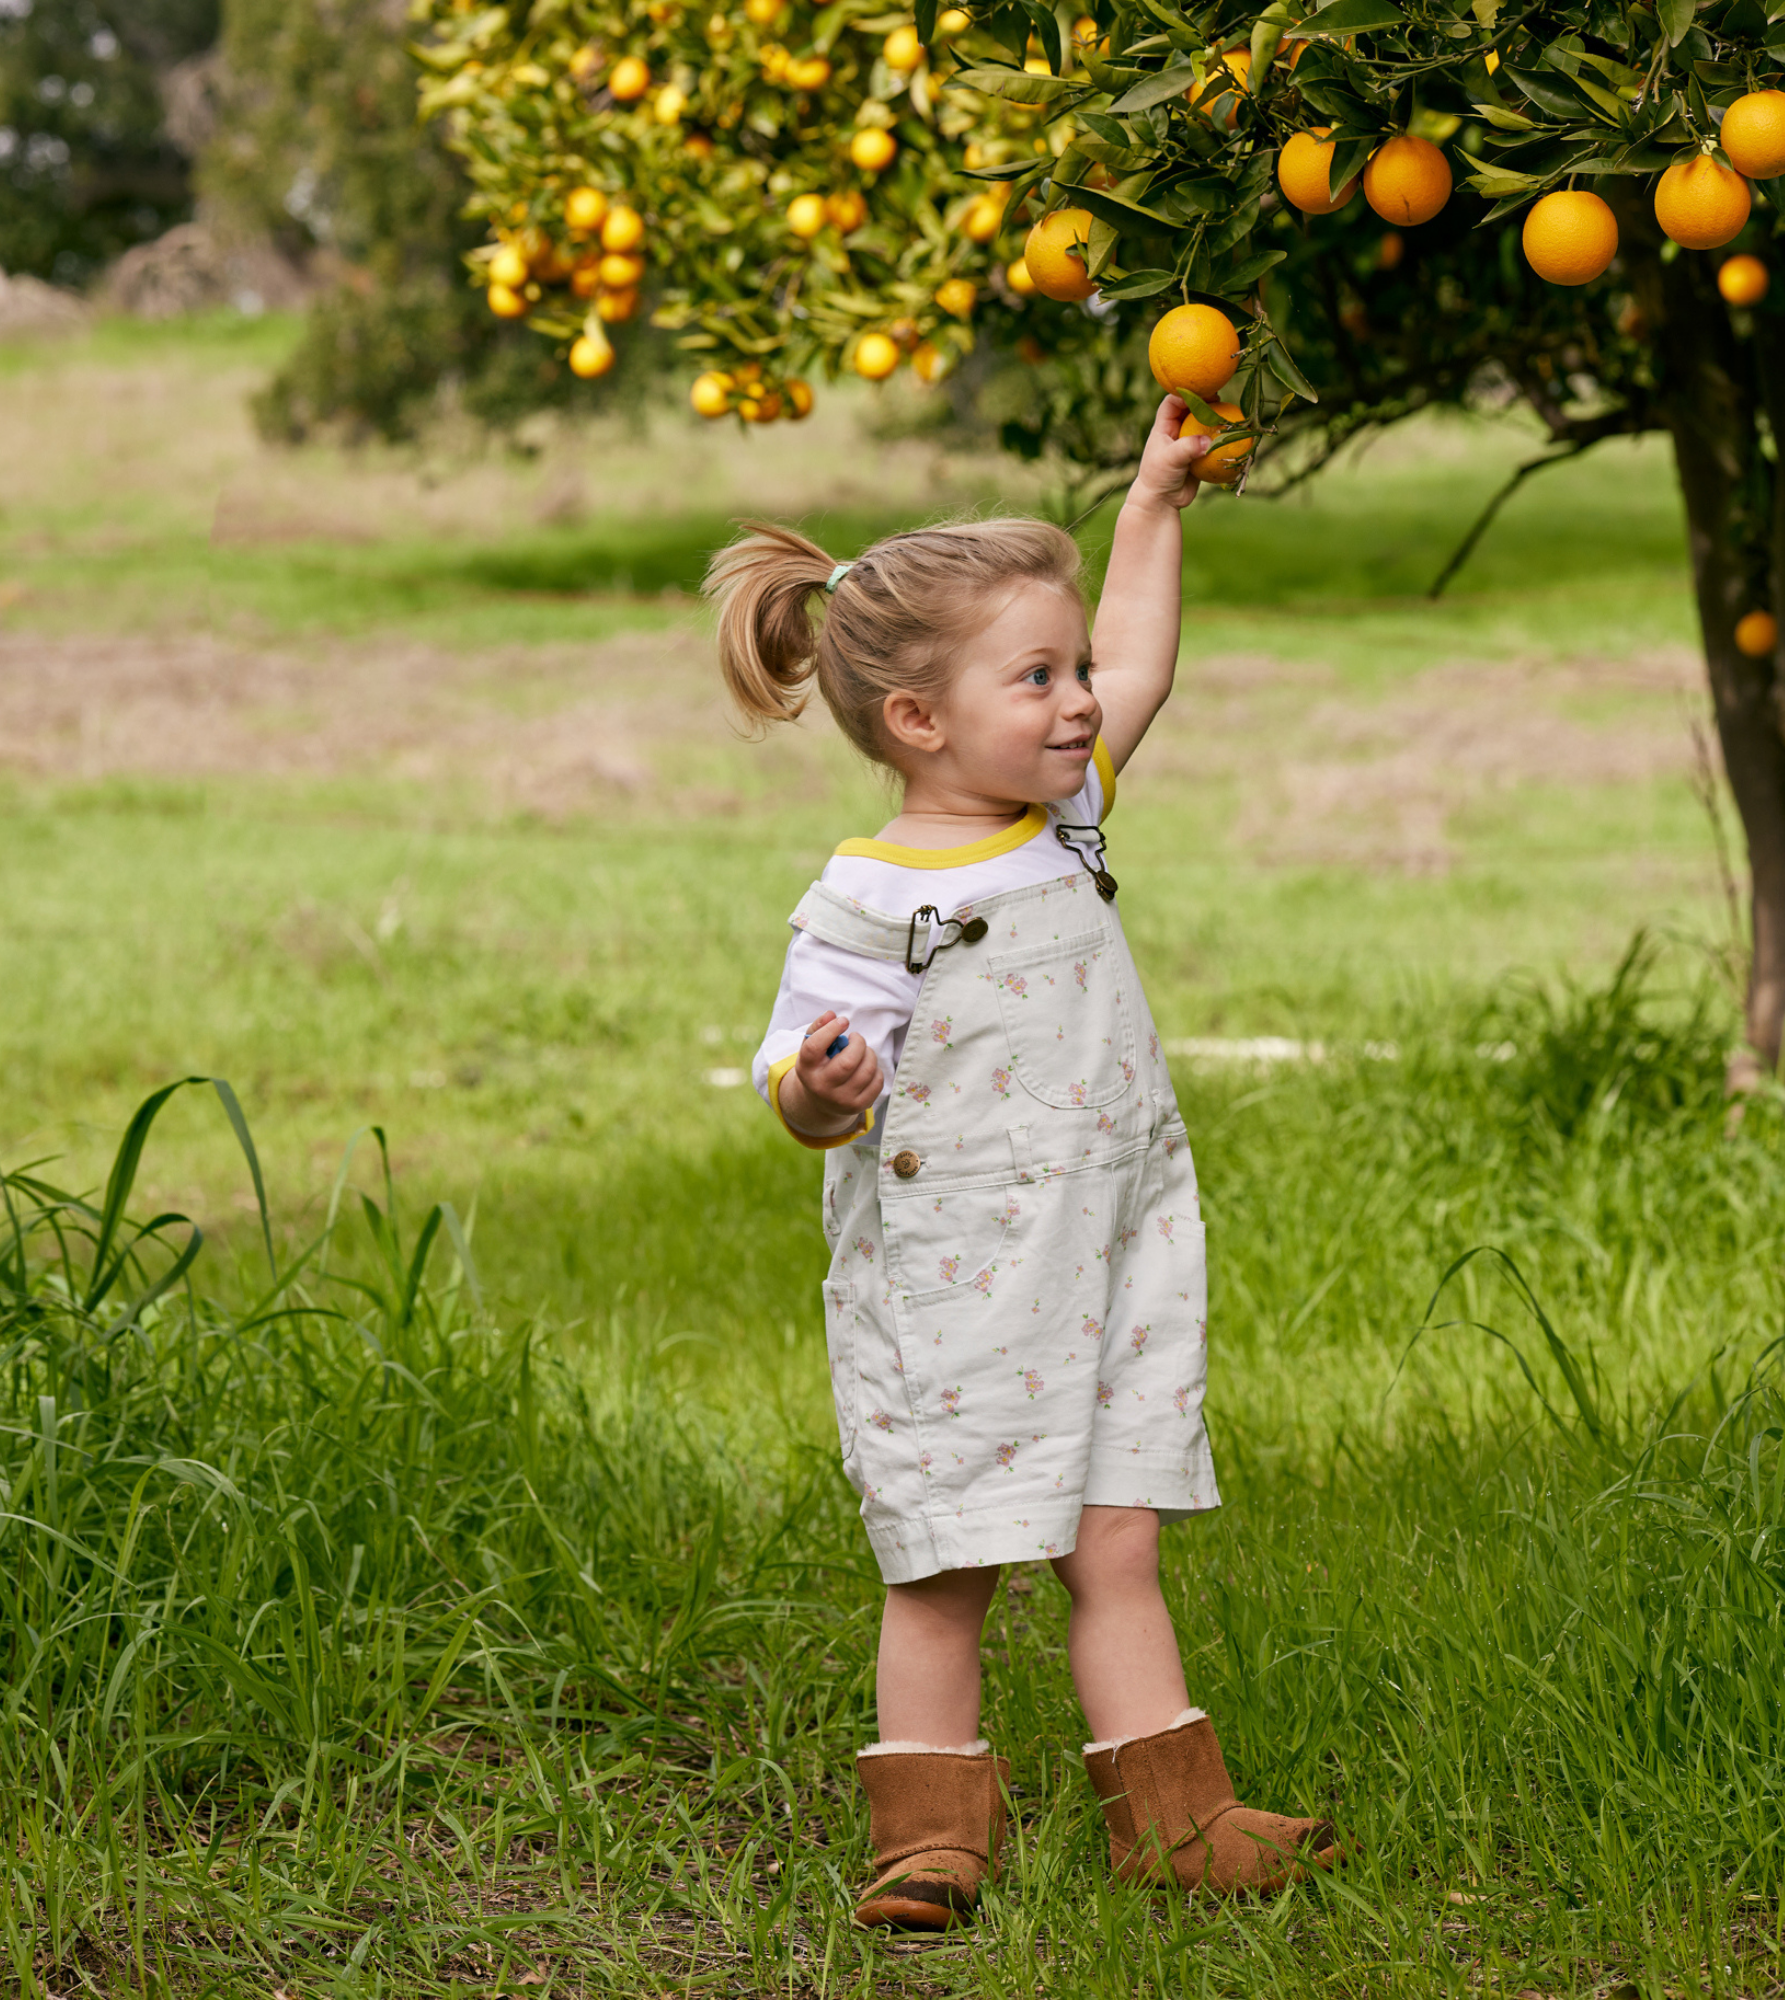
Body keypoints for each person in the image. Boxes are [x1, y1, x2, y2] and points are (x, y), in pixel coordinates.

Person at [706, 396, 1338, 1930]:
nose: (1080, 704)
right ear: (921, 723)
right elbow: (797, 1077)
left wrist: (1152, 506)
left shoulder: (1063, 823)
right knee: (951, 1557)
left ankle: (1174, 1823)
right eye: (1039, 679)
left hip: (1118, 1246)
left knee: (1116, 1537)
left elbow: (1147, 659)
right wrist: (823, 1090)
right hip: (960, 1283)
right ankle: (926, 1835)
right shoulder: (869, 900)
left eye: (1073, 675)